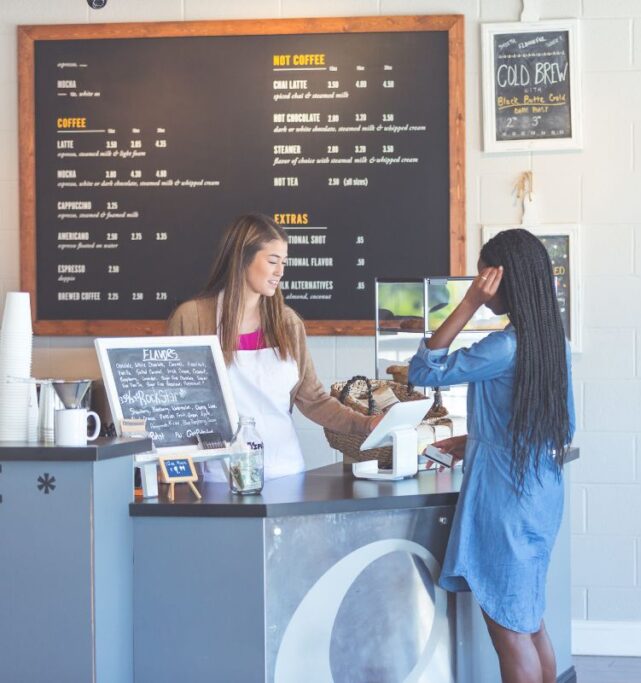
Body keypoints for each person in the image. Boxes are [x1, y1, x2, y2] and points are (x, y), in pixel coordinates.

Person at [408, 228, 574, 683]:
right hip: (540, 494)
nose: (480, 281)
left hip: (503, 497)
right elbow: (562, 425)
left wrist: (467, 305)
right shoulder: (550, 342)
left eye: (484, 274)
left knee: (509, 632)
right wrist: (476, 438)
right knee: (529, 619)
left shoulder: (503, 346)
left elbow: (425, 369)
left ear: (500, 278)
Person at [167, 213, 379, 481]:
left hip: (285, 472)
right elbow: (174, 403)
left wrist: (366, 424)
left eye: (284, 263)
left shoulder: (288, 323)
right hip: (219, 477)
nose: (281, 272)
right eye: (272, 261)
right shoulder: (192, 318)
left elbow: (314, 400)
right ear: (242, 259)